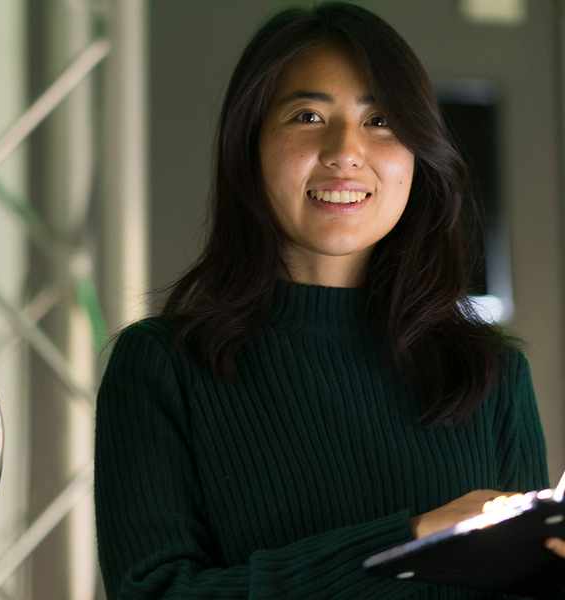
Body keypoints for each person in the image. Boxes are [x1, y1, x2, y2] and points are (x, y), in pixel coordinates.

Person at [93, 2, 564, 598]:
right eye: (308, 115)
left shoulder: (491, 374)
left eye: (381, 120)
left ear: (417, 153)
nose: (345, 151)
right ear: (250, 145)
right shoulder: (161, 367)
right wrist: (411, 538)